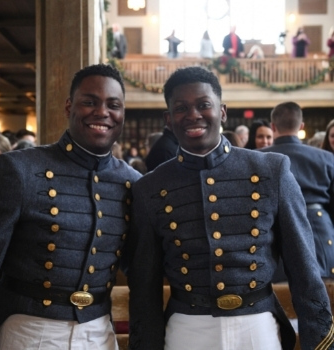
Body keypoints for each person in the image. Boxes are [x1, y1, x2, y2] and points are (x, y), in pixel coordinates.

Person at [126, 66, 334, 349]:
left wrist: (319, 341)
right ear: (169, 119)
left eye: (203, 105)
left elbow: (303, 267)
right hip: (187, 329)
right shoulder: (150, 187)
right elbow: (144, 285)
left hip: (257, 326)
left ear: (222, 111)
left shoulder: (271, 170)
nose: (193, 115)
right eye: (181, 108)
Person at [0, 64, 141, 349]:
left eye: (113, 105)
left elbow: (141, 269)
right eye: (89, 102)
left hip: (98, 333)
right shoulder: (20, 169)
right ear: (69, 106)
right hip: (28, 330)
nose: (102, 112)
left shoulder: (133, 183)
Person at [261, 102, 334, 280]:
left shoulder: (256, 158)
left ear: (273, 126)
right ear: (301, 126)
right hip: (318, 231)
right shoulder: (326, 158)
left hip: (271, 233)